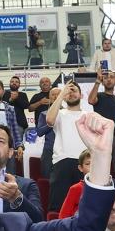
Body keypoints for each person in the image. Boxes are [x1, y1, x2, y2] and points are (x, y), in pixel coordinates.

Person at [0, 122, 43, 223]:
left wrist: (16, 198)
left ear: (11, 152)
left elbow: (38, 221)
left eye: (1, 141)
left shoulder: (27, 185)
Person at [46, 80, 87, 211]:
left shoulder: (88, 115)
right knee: (58, 207)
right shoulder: (59, 113)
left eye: (74, 90)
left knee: (82, 207)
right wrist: (61, 95)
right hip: (61, 163)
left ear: (81, 95)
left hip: (83, 164)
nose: (71, 93)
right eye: (68, 91)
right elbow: (49, 120)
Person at [87, 69, 115, 170]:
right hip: (101, 136)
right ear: (103, 81)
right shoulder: (98, 96)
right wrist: (97, 81)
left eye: (111, 77)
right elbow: (90, 100)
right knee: (101, 167)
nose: (109, 80)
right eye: (106, 77)